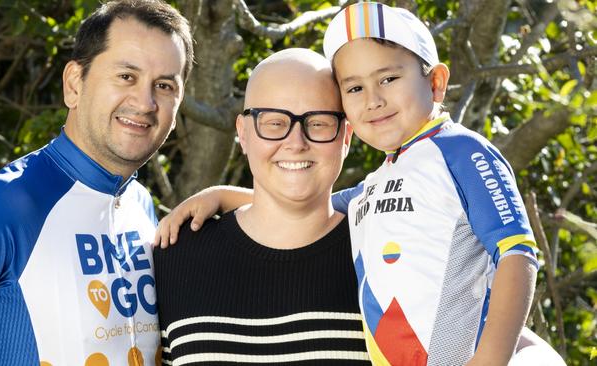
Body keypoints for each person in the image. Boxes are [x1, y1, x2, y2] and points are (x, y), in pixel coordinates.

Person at [155, 2, 565, 365]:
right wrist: (224, 195)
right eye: (355, 88)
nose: (373, 99)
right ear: (242, 132)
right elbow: (326, 202)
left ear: (436, 82)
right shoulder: (375, 189)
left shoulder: (461, 151)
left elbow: (517, 254)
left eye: (388, 79)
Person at [0, 0, 193, 365]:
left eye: (164, 85)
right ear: (74, 84)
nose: (145, 102)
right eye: (126, 76)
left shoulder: (141, 204)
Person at [154, 48, 372, 364]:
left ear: (346, 137)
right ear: (243, 134)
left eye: (319, 123)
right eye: (274, 123)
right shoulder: (172, 257)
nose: (296, 143)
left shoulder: (380, 257)